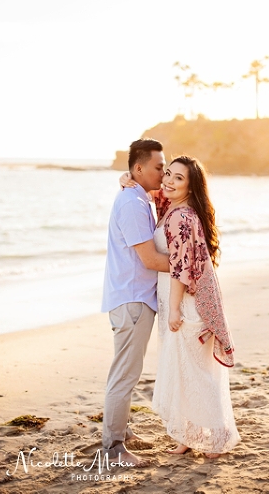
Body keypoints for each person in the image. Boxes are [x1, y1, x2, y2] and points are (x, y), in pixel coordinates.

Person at [147, 156, 240, 458]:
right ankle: (188, 435)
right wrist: (126, 179)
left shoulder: (182, 217)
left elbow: (181, 269)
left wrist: (174, 309)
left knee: (197, 373)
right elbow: (150, 192)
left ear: (190, 186)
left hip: (186, 304)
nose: (169, 182)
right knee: (181, 369)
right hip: (176, 299)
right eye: (168, 175)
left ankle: (219, 436)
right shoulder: (171, 208)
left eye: (178, 179)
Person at [101, 138, 170, 467]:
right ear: (139, 169)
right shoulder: (131, 202)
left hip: (136, 300)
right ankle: (114, 447)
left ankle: (122, 432)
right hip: (131, 301)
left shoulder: (139, 197)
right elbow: (150, 259)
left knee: (128, 371)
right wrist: (194, 267)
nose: (164, 172)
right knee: (125, 375)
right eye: (159, 167)